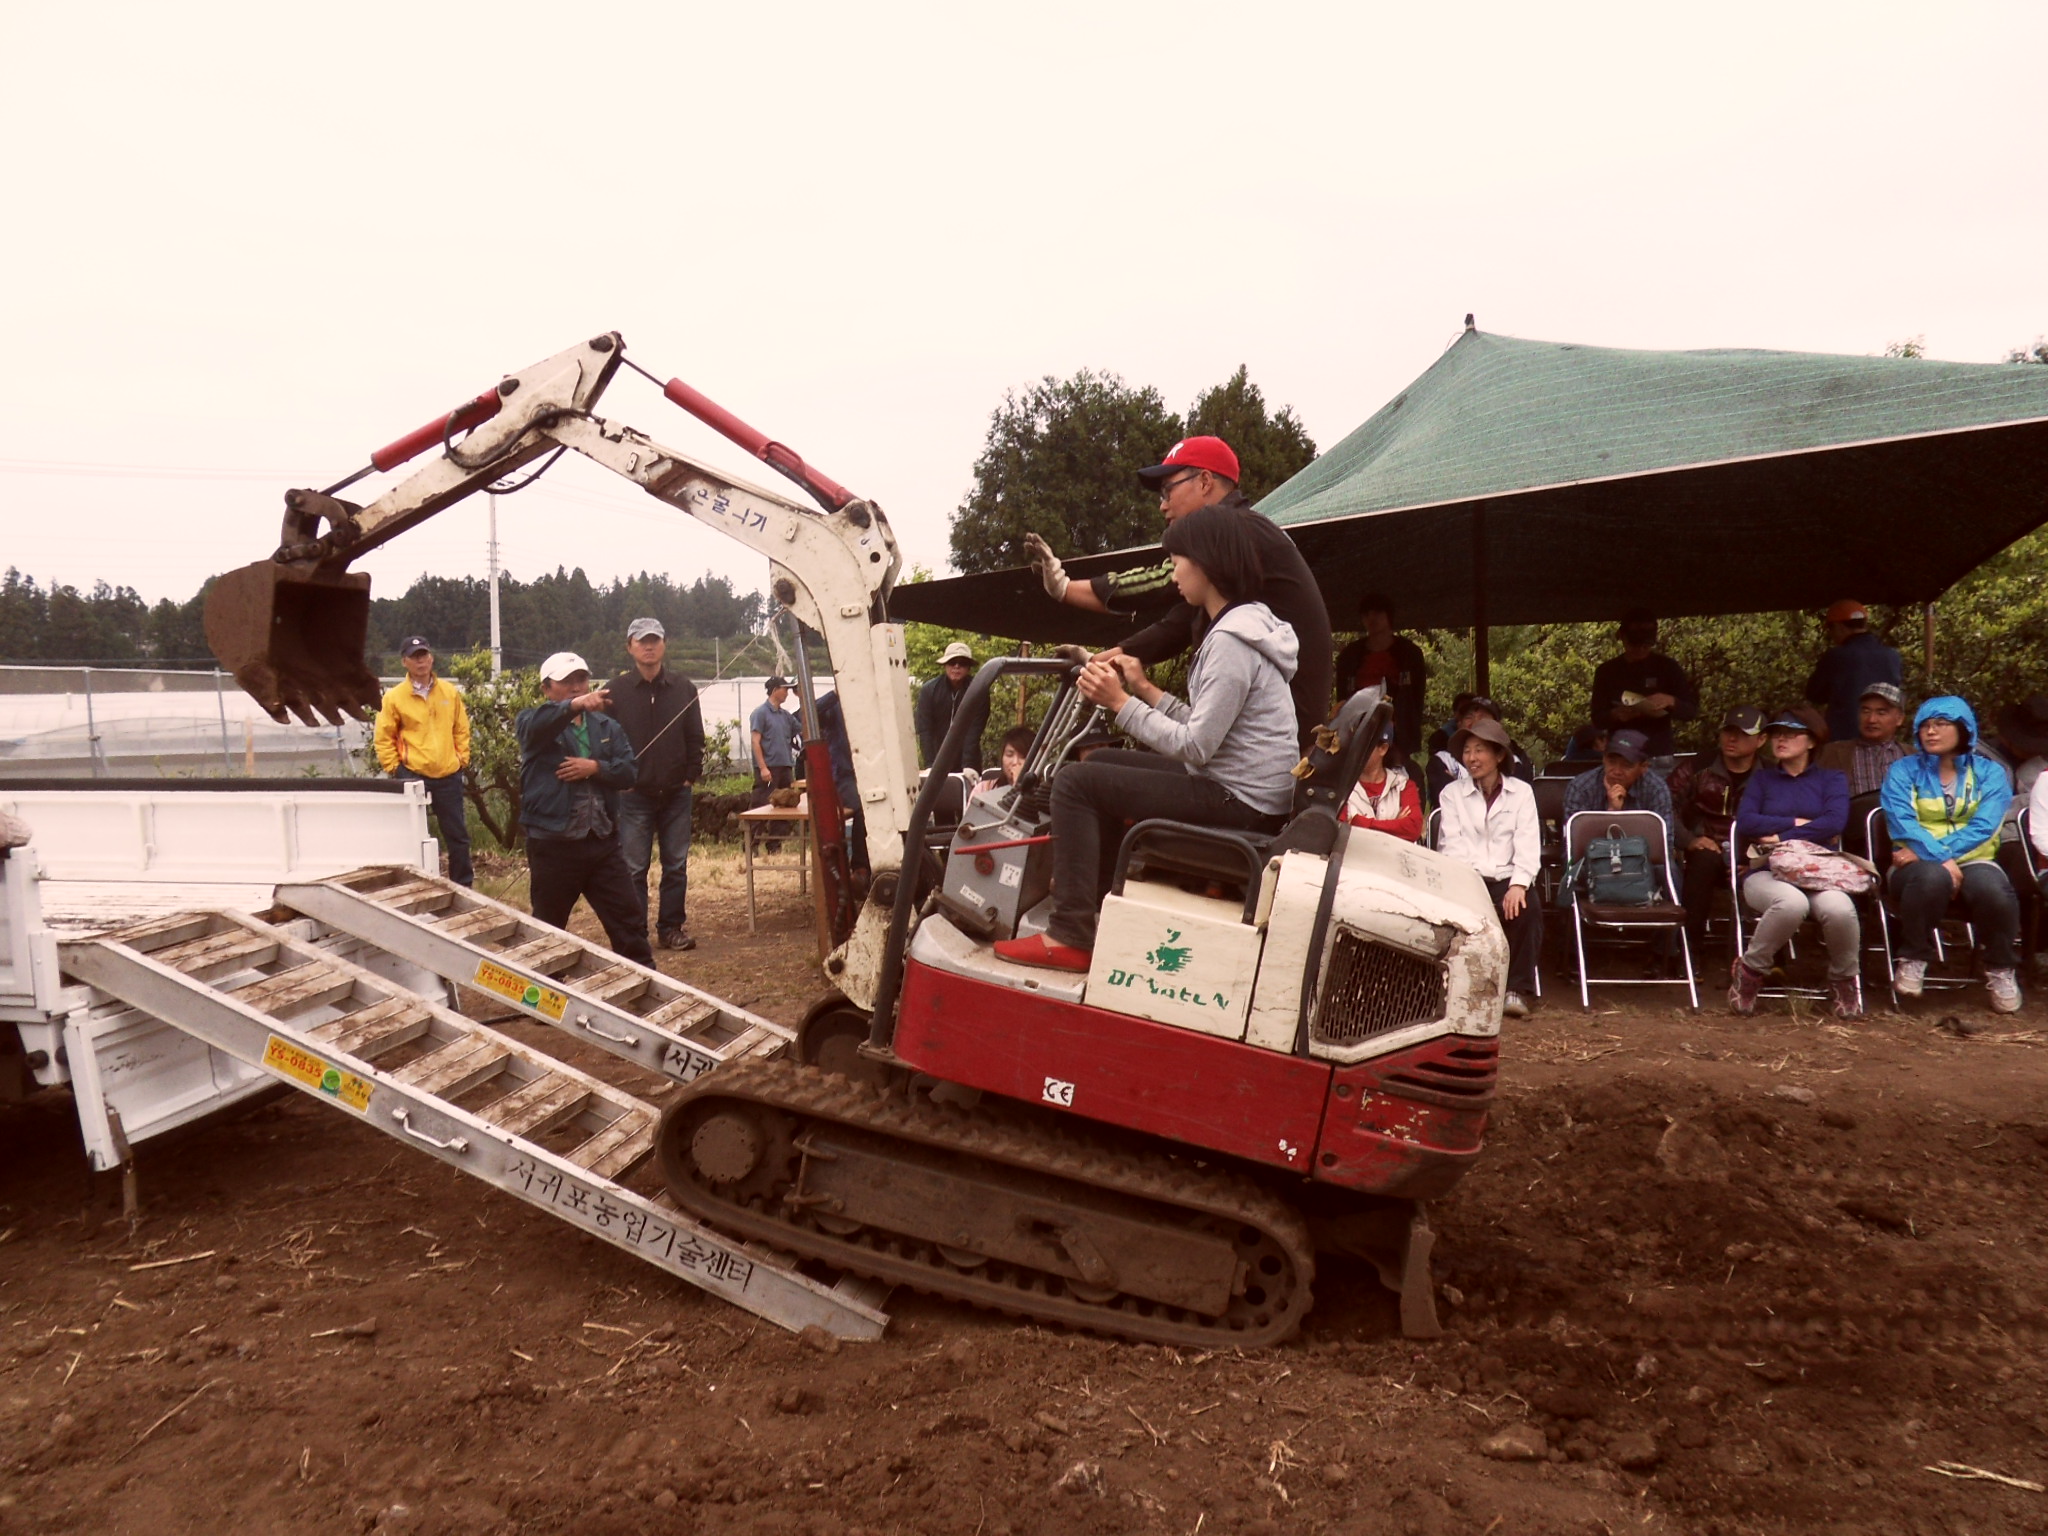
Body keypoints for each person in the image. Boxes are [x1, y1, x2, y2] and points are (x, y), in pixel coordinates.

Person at [996, 504, 1298, 970]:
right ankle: (1091, 912)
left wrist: (1119, 702)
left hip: (1238, 799)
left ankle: (1071, 931)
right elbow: (1204, 727)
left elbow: (1195, 746)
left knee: (1075, 782)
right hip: (1242, 789)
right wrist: (1145, 689)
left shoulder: (1232, 643)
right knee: (1094, 768)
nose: (1174, 573)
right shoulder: (1246, 627)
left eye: (1178, 561)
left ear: (1207, 563)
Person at [1023, 435, 1332, 748]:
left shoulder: (1237, 531)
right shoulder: (1232, 553)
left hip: (1276, 746)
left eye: (1168, 489)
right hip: (1273, 735)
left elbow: (1159, 583)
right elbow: (1178, 624)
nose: (1162, 504)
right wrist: (1105, 660)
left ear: (1205, 481)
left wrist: (1063, 588)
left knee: (1086, 780)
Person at [1879, 696, 2021, 1012]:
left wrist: (1940, 854)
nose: (1931, 732)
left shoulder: (1991, 773)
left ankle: (2000, 969)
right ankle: (1914, 958)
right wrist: (1940, 860)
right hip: (1914, 866)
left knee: (1994, 892)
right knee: (1931, 878)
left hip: (1974, 858)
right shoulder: (1902, 770)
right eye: (1926, 725)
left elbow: (1986, 826)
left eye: (1941, 724)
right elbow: (1902, 823)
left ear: (1964, 729)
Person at [515, 653, 653, 966]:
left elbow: (630, 772)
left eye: (581, 679)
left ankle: (647, 984)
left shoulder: (607, 725)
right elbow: (535, 727)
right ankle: (544, 994)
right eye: (567, 681)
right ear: (546, 688)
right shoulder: (532, 722)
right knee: (548, 926)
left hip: (602, 843)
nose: (577, 687)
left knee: (629, 921)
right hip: (553, 844)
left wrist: (595, 767)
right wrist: (575, 706)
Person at [1727, 706, 1861, 1020]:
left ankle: (1843, 979)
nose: (1781, 739)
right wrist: (1798, 822)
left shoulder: (1832, 779)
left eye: (1791, 733)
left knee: (1839, 908)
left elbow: (1835, 821)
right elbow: (1746, 821)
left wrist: (1782, 833)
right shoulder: (1762, 780)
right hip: (1767, 869)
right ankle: (1750, 971)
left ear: (1812, 742)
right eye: (1776, 734)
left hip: (1818, 869)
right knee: (1790, 904)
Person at [608, 618, 704, 952]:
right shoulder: (615, 691)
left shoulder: (684, 688)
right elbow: (604, 740)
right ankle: (634, 932)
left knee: (675, 865)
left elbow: (695, 737)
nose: (649, 646)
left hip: (677, 792)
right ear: (629, 646)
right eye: (641, 641)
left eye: (655, 640)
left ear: (664, 644)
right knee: (634, 867)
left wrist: (691, 774)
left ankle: (671, 928)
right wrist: (618, 780)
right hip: (633, 796)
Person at [1436, 717, 1541, 1018]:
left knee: (1527, 909)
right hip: (1467, 879)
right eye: (1467, 751)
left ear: (1499, 755)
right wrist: (1472, 887)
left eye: (1479, 750)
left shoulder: (1521, 793)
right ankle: (1460, 989)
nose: (1471, 758)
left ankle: (1517, 990)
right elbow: (1452, 846)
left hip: (1507, 877)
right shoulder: (1452, 794)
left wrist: (1519, 884)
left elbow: (1527, 843)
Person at [373, 634, 473, 887]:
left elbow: (461, 728)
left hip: (448, 775)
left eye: (425, 655)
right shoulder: (394, 698)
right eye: (415, 657)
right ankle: (417, 884)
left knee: (457, 836)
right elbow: (384, 736)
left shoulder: (449, 692)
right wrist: (396, 769)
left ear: (431, 658)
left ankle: (463, 886)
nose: (421, 661)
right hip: (414, 774)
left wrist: (461, 758)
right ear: (404, 662)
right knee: (413, 836)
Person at [1668, 706, 1767, 960]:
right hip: (1706, 847)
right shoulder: (1698, 766)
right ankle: (1689, 954)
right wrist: (1688, 840)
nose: (1732, 739)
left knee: (1773, 876)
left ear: (1761, 740)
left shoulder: (1771, 774)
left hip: (1753, 853)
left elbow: (1781, 821)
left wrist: (1754, 859)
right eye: (1728, 732)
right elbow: (1665, 806)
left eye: (1742, 734)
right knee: (1702, 861)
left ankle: (1769, 964)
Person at [1589, 610, 1698, 769]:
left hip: (1658, 752)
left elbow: (1690, 711)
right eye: (1635, 644)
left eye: (1645, 645)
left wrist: (1670, 701)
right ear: (1622, 637)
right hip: (1621, 753)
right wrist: (1616, 715)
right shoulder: (1607, 672)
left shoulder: (1667, 667)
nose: (1640, 649)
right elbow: (1597, 718)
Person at [1986, 693, 2048, 966]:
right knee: (2017, 856)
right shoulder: (1981, 756)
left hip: (2033, 836)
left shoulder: (2038, 768)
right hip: (1992, 838)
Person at [1333, 593, 1428, 757]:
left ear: (1388, 616)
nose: (1371, 618)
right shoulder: (1350, 655)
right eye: (1366, 614)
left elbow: (1417, 696)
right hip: (1358, 726)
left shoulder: (1409, 653)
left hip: (1398, 730)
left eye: (1377, 613)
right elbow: (1342, 695)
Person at [1816, 681, 1909, 847]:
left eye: (1882, 712)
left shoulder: (1914, 757)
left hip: (1905, 840)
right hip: (1850, 839)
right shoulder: (1830, 754)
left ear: (1899, 718)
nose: (1872, 719)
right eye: (1865, 711)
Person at [1562, 727, 1677, 862]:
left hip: (1644, 864)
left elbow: (1665, 844)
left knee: (1671, 875)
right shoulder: (1580, 787)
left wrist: (1622, 817)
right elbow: (1571, 846)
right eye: (1611, 762)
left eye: (1626, 765)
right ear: (1603, 759)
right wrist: (1611, 813)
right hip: (1592, 863)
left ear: (1643, 767)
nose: (1616, 771)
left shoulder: (1656, 789)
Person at [1804, 600, 1903, 748]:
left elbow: (1814, 694)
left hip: (1845, 739)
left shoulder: (1837, 656)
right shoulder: (1892, 656)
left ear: (1838, 627)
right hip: (1884, 738)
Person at [1424, 695, 1534, 808]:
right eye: (1468, 717)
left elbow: (1514, 801)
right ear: (1459, 723)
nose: (1475, 723)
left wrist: (1459, 785)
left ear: (1497, 726)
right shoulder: (1443, 761)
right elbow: (1445, 801)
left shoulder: (1513, 761)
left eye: (1483, 717)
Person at [1343, 719, 1423, 842]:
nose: (1356, 750)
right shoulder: (1341, 787)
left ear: (1383, 749)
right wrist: (1395, 823)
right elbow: (1339, 829)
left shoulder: (1404, 785)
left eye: (1363, 744)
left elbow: (1413, 829)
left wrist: (1359, 823)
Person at [749, 676, 804, 854]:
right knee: (760, 805)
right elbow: (756, 742)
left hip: (785, 766)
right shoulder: (760, 713)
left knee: (786, 806)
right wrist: (763, 767)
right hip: (769, 767)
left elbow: (803, 727)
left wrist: (802, 697)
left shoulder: (785, 715)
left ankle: (774, 845)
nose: (787, 693)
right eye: (785, 689)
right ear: (775, 690)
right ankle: (751, 846)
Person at [916, 641, 989, 772]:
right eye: (952, 662)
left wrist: (969, 765)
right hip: (937, 760)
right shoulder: (929, 690)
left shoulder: (979, 691)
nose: (956, 666)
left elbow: (975, 730)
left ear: (969, 667)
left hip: (968, 760)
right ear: (945, 665)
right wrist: (929, 764)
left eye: (962, 663)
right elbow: (925, 729)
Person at [972, 725, 1036, 803]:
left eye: (1023, 757)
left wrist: (1018, 785)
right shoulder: (984, 788)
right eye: (1009, 755)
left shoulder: (1041, 796)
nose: (1015, 762)